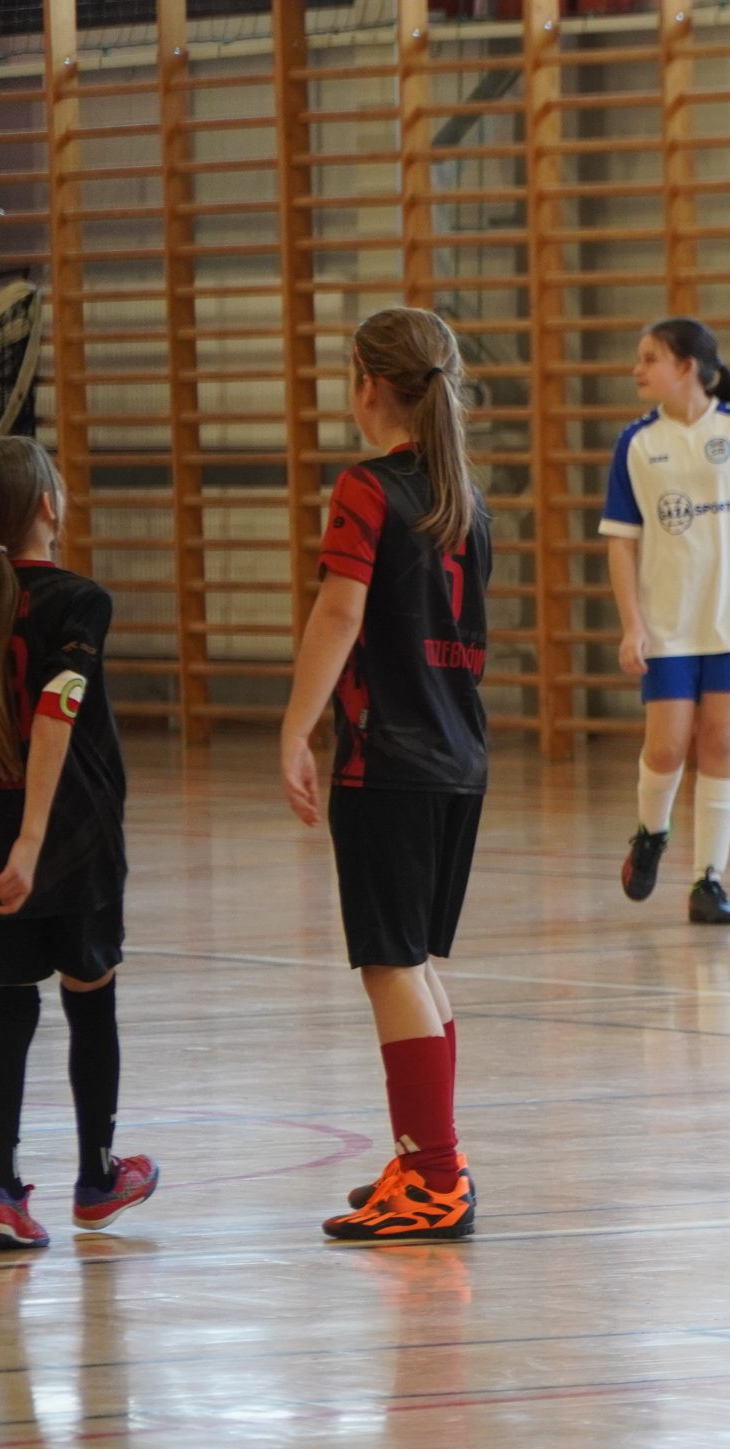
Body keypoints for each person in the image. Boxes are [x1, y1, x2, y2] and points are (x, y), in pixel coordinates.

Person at [279, 307, 492, 1242]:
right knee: (415, 966)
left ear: (368, 385)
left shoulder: (368, 488)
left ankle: (435, 1177)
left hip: (390, 759)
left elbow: (341, 610)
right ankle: (427, 1155)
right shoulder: (463, 498)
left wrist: (296, 728)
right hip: (458, 757)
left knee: (391, 964)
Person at [0, 438, 156, 1247]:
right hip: (72, 832)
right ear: (49, 508)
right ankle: (96, 1175)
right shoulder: (79, 600)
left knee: (4, 1000)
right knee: (90, 992)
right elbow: (57, 713)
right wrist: (33, 838)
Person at [602, 318, 730, 927]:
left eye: (650, 358)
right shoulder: (636, 442)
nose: (637, 370)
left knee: (721, 744)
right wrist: (632, 624)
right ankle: (651, 834)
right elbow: (621, 543)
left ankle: (709, 880)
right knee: (667, 746)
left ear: (686, 367)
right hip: (668, 623)